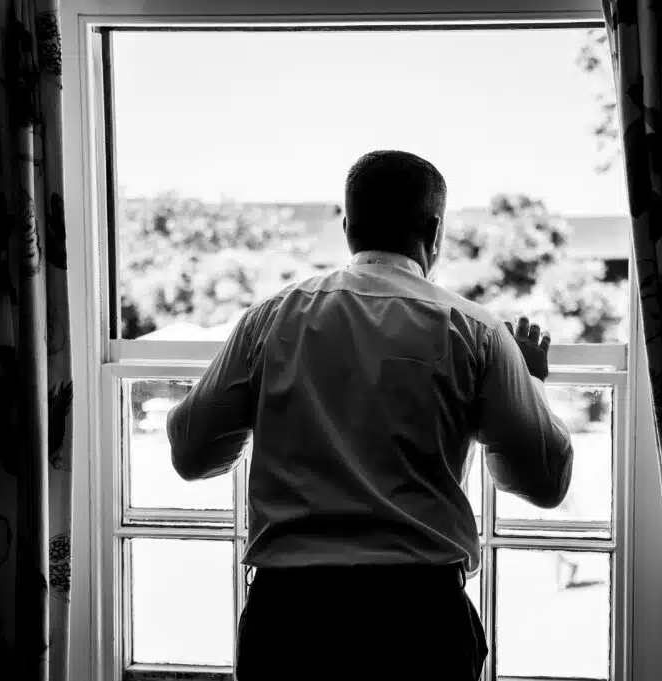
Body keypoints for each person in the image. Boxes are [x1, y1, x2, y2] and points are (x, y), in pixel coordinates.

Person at [167, 149, 574, 680]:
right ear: (435, 229)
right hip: (418, 621)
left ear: (347, 226)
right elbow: (545, 480)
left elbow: (191, 453)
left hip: (291, 620)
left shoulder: (270, 318)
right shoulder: (474, 330)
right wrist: (531, 384)